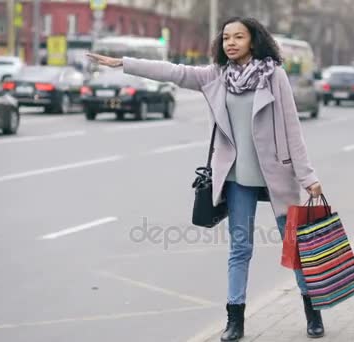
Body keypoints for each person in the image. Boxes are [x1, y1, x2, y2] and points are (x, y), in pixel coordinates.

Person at [87, 17, 325, 341]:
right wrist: (125, 63)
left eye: (238, 37)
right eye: (226, 37)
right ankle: (235, 321)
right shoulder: (217, 77)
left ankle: (312, 311)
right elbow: (174, 71)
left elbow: (292, 128)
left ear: (253, 42)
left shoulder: (274, 77)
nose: (230, 43)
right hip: (236, 177)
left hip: (277, 174)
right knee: (240, 248)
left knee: (295, 245)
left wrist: (307, 175)